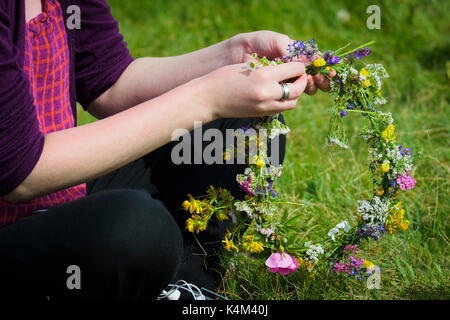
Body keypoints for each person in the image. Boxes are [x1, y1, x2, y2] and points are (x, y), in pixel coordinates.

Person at [0, 0, 331, 300]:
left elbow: (109, 81)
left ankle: (188, 285)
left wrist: (234, 55)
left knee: (241, 131)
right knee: (135, 228)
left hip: (59, 194)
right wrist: (207, 98)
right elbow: (23, 173)